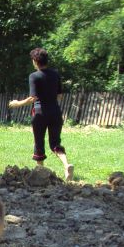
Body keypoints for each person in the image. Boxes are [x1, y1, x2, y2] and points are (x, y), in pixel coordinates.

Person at [9, 47, 74, 181]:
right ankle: (66, 165)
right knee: (55, 143)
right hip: (55, 112)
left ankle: (41, 173)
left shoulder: (34, 76)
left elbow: (33, 98)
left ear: (35, 61)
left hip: (40, 113)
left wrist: (17, 103)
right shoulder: (55, 74)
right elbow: (60, 96)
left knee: (39, 143)